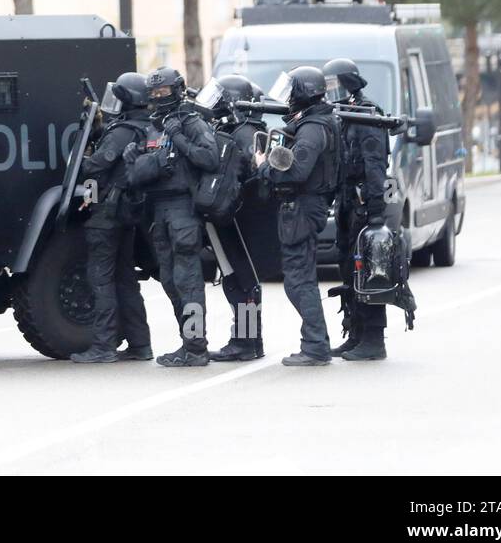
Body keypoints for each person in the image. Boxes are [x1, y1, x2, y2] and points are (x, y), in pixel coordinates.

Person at [125, 67, 218, 367]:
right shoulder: (153, 127)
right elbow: (135, 173)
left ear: (177, 90)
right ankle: (187, 341)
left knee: (187, 281)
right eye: (153, 94)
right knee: (169, 280)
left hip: (183, 210)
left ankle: (195, 348)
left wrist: (179, 138)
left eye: (163, 92)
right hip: (158, 211)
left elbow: (209, 158)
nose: (158, 98)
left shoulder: (190, 123)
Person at [260, 66, 342, 366]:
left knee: (298, 279)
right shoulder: (314, 121)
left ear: (302, 93)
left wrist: (264, 166)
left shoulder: (312, 128)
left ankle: (315, 345)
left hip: (303, 207)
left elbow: (295, 170)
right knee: (301, 276)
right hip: (308, 206)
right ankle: (316, 343)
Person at [70, 73, 153, 364]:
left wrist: (79, 158)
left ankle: (103, 346)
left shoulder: (121, 131)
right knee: (126, 280)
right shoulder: (147, 127)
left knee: (101, 279)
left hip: (108, 214)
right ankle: (140, 344)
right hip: (129, 213)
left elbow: (96, 165)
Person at [323, 58, 391, 362]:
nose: (329, 92)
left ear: (348, 84)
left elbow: (376, 168)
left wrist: (376, 212)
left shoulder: (367, 116)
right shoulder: (344, 116)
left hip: (365, 208)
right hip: (347, 206)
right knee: (349, 271)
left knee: (370, 270)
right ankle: (355, 334)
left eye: (333, 85)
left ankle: (374, 339)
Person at [205, 74, 268, 362]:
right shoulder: (246, 131)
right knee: (239, 280)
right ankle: (248, 340)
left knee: (241, 281)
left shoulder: (243, 134)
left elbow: (245, 178)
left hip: (240, 220)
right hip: (238, 218)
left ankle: (246, 342)